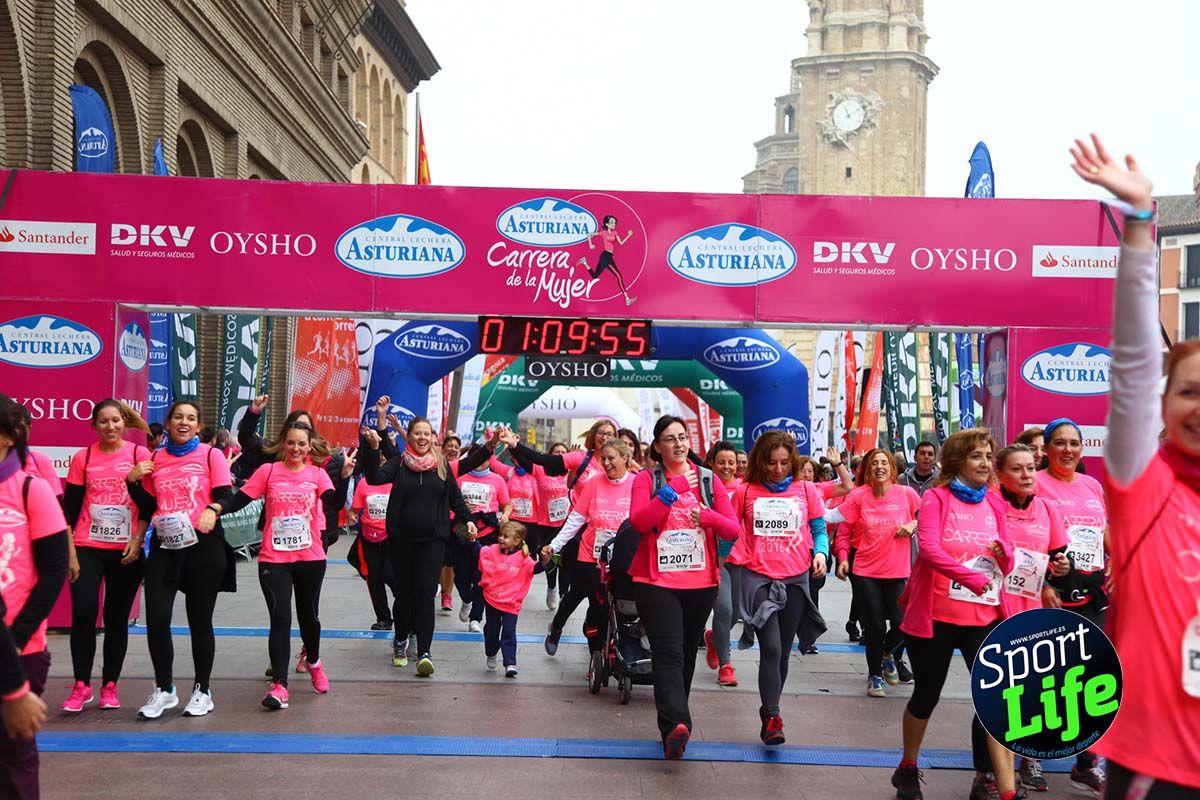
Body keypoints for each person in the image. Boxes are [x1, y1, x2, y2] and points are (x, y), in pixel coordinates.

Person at [1071, 133, 1200, 798]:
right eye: (1188, 391)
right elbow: (1132, 362)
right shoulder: (1144, 486)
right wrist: (1141, 223)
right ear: (1164, 405)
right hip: (1160, 769)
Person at [890, 428, 1019, 800]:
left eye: (987, 455)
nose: (984, 463)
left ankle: (994, 781)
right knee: (926, 695)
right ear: (958, 461)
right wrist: (971, 577)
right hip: (935, 618)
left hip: (983, 616)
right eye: (976, 455)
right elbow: (928, 549)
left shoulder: (994, 502)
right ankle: (908, 768)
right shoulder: (935, 498)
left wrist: (1002, 554)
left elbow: (1008, 557)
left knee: (995, 699)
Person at [216, 422, 353, 710]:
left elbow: (335, 503)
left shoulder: (316, 474)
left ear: (309, 447)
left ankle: (314, 661)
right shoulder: (268, 472)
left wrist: (343, 477)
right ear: (283, 444)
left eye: (301, 444)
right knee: (280, 619)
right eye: (291, 442)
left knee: (308, 618)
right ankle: (280, 685)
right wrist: (215, 505)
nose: (295, 448)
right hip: (274, 558)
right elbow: (240, 501)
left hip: (310, 557)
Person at [627, 416, 740, 759]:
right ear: (657, 447)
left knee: (688, 650)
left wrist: (706, 517)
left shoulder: (708, 479)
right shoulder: (646, 479)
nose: (678, 443)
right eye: (669, 439)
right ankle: (677, 723)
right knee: (669, 652)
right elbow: (639, 522)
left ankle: (674, 723)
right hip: (655, 581)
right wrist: (671, 492)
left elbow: (732, 529)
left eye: (682, 436)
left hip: (700, 582)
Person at [132, 400, 236, 720]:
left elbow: (227, 496)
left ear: (198, 425)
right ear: (169, 421)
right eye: (179, 416)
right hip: (166, 545)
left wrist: (212, 509)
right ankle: (165, 689)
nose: (184, 422)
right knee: (158, 619)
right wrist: (132, 481)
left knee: (199, 621)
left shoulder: (210, 454)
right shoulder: (155, 458)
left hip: (203, 546)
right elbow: (148, 507)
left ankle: (202, 690)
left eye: (191, 418)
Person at [727, 431, 828, 745]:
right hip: (758, 579)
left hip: (797, 579)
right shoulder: (744, 492)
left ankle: (771, 708)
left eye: (784, 462)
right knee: (770, 647)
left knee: (783, 651)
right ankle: (772, 715)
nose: (778, 469)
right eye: (771, 462)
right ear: (760, 461)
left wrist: (821, 553)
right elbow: (729, 531)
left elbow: (819, 529)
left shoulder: (806, 490)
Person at [60, 400, 155, 713]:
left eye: (115, 421)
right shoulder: (83, 457)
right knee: (85, 612)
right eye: (103, 422)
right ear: (94, 425)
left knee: (116, 619)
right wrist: (71, 551)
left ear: (124, 423)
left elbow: (149, 504)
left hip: (125, 550)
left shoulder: (139, 455)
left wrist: (138, 538)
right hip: (87, 546)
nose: (110, 427)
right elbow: (70, 508)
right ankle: (81, 685)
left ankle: (110, 685)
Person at [362, 419, 476, 677]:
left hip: (433, 542)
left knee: (425, 594)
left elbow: (456, 499)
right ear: (409, 436)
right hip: (401, 541)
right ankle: (401, 641)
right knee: (404, 595)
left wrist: (468, 520)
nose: (422, 438)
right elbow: (374, 477)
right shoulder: (400, 463)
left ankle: (425, 652)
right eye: (417, 433)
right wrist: (371, 448)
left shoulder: (442, 465)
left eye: (426, 434)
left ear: (432, 438)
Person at [1033, 417, 1108, 796]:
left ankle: (1086, 763)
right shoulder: (1036, 482)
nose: (1068, 450)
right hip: (1047, 592)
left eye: (1074, 443)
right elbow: (1023, 534)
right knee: (1043, 680)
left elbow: (1104, 533)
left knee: (1093, 681)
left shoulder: (1092, 485)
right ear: (1046, 448)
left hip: (1090, 593)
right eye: (1059, 443)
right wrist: (1045, 581)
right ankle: (1030, 755)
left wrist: (1120, 568)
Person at [991, 443, 1072, 793]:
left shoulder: (1048, 508)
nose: (1026, 475)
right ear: (1001, 475)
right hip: (993, 606)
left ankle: (1030, 759)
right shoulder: (990, 505)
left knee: (1031, 691)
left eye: (1030, 468)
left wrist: (1060, 569)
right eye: (1018, 469)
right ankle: (987, 772)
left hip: (1032, 609)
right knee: (995, 694)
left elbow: (1058, 557)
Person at [0, 394, 69, 798]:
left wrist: (16, 637)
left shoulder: (31, 489)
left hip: (20, 647)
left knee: (14, 760)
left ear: (9, 437)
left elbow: (54, 571)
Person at [826, 449, 920, 698]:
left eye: (884, 463)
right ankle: (874, 676)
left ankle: (888, 654)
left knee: (903, 623)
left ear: (892, 469)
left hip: (897, 570)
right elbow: (837, 521)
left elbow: (928, 518)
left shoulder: (907, 494)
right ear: (867, 470)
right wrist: (843, 559)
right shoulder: (859, 496)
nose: (880, 467)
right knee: (875, 626)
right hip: (866, 570)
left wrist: (913, 524)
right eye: (874, 463)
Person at [539, 439, 635, 659]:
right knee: (590, 600)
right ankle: (567, 634)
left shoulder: (637, 483)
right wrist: (555, 545)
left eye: (612, 458)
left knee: (617, 606)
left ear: (625, 458)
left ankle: (610, 648)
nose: (607, 463)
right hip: (591, 555)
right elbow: (576, 519)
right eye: (604, 459)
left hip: (621, 557)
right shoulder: (594, 483)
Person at [479, 521, 548, 677]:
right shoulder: (492, 551)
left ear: (517, 541)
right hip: (492, 599)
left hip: (511, 602)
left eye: (505, 537)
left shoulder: (523, 558)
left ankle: (510, 663)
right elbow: (480, 552)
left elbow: (534, 569)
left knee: (509, 631)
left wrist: (545, 561)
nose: (501, 539)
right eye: (500, 535)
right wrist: (471, 540)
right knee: (491, 629)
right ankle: (491, 651)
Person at [454, 452, 511, 632]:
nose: (480, 462)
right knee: (461, 576)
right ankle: (466, 599)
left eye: (484, 458)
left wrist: (505, 517)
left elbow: (507, 504)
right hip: (463, 532)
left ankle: (476, 618)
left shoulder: (497, 480)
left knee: (481, 577)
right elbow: (449, 502)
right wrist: (462, 508)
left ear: (489, 460)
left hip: (488, 534)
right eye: (477, 459)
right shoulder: (460, 478)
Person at [703, 441, 742, 686]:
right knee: (724, 609)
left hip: (738, 558)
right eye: (722, 462)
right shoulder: (704, 488)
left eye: (731, 463)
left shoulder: (744, 488)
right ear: (711, 463)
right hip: (712, 559)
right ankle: (726, 666)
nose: (727, 467)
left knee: (735, 613)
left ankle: (715, 639)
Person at [349, 461, 395, 630]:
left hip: (393, 537)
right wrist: (352, 516)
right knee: (374, 578)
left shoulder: (396, 481)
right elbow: (354, 510)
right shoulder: (364, 482)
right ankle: (384, 618)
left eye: (385, 458)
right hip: (369, 536)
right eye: (377, 457)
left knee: (393, 577)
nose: (381, 461)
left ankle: (406, 610)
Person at [578, 214, 636, 306]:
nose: (614, 224)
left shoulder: (615, 233)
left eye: (615, 223)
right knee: (619, 277)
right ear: (607, 224)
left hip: (608, 256)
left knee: (595, 276)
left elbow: (621, 243)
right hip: (605, 257)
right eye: (612, 222)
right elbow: (589, 234)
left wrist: (628, 235)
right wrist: (590, 245)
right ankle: (627, 299)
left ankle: (584, 262)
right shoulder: (603, 233)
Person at [14, 406, 62, 500]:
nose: (15, 432)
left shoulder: (39, 460)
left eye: (20, 427)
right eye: (10, 428)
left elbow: (57, 503)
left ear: (29, 428)